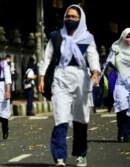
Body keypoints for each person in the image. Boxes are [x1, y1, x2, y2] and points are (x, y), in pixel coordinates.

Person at [38, 4, 100, 167]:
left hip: (81, 78)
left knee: (81, 119)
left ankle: (80, 154)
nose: (70, 19)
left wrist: (95, 72)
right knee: (61, 117)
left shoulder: (88, 38)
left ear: (80, 19)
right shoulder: (55, 36)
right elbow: (47, 57)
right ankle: (59, 157)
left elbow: (93, 56)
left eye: (74, 17)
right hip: (61, 78)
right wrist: (42, 77)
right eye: (68, 16)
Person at [103, 28, 130, 142]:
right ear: (123, 37)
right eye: (127, 36)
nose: (129, 39)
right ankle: (121, 130)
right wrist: (109, 80)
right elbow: (108, 66)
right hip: (120, 84)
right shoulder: (116, 50)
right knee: (122, 107)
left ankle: (128, 133)